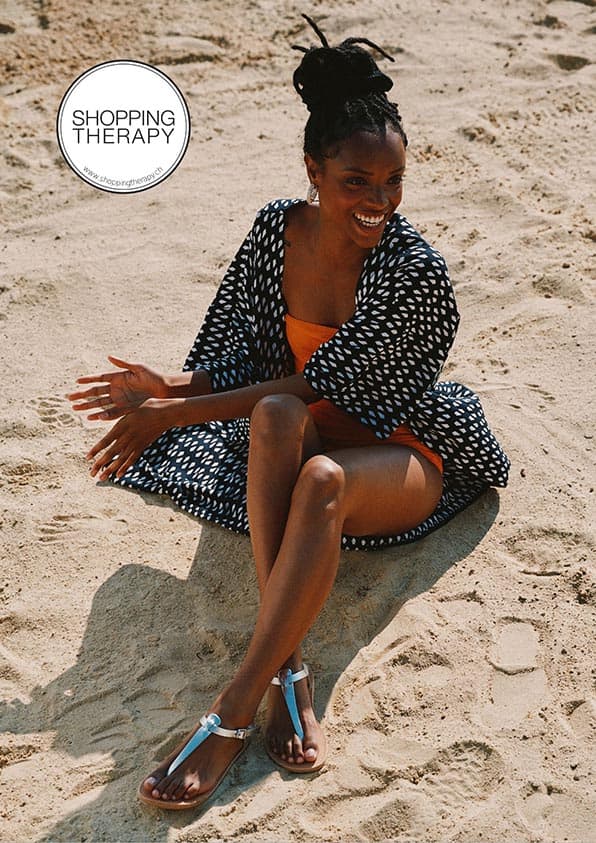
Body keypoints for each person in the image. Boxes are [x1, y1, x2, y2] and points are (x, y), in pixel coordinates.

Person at [68, 15, 509, 811]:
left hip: (398, 455)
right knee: (271, 417)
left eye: (394, 183)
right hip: (294, 431)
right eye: (358, 182)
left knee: (319, 476)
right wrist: (166, 387)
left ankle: (235, 707)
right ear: (313, 169)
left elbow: (324, 389)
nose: (379, 202)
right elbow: (247, 364)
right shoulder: (275, 232)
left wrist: (172, 415)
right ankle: (291, 667)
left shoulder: (416, 273)